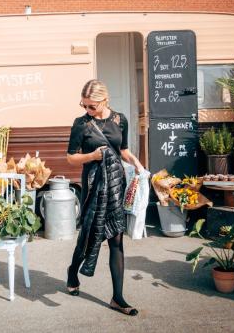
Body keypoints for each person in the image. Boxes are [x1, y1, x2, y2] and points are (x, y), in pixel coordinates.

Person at [65, 79, 145, 316]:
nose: (87, 110)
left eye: (92, 106)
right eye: (85, 105)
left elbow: (124, 151)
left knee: (116, 240)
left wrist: (137, 163)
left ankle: (118, 298)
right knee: (89, 237)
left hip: (116, 185)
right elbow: (71, 157)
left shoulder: (120, 120)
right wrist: (91, 156)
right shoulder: (81, 124)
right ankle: (72, 271)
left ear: (105, 100)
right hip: (94, 186)